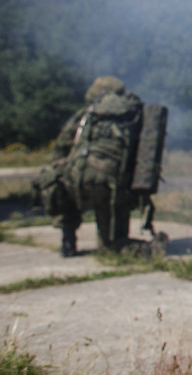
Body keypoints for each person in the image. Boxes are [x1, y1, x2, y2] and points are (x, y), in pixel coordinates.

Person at [50, 75, 143, 257]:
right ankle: (112, 244)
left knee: (59, 177)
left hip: (77, 182)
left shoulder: (86, 116)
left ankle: (68, 239)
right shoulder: (131, 116)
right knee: (110, 246)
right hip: (112, 187)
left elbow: (60, 149)